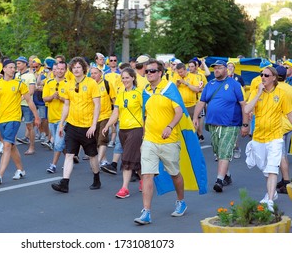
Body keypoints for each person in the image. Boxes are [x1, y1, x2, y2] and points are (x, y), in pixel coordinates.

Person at [134, 58, 185, 225]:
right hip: (150, 140)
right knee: (147, 174)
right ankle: (146, 212)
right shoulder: (145, 91)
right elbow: (145, 116)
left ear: (160, 73)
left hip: (169, 140)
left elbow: (178, 112)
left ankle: (180, 201)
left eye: (152, 71)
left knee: (174, 174)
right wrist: (143, 138)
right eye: (147, 71)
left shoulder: (170, 88)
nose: (149, 73)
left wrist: (170, 127)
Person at [193, 60, 249, 193]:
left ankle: (219, 180)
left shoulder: (234, 85)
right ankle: (227, 175)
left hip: (230, 124)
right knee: (218, 151)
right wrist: (195, 117)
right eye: (215, 68)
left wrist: (245, 125)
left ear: (226, 69)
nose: (216, 70)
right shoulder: (210, 84)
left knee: (224, 151)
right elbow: (201, 102)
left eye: (219, 68)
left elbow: (243, 105)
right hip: (213, 124)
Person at [245, 66, 292, 211]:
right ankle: (272, 192)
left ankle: (270, 200)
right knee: (264, 167)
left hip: (276, 137)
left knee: (272, 168)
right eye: (261, 75)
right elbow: (247, 110)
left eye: (266, 75)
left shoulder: (281, 94)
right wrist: (258, 93)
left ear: (273, 78)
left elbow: (289, 114)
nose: (263, 77)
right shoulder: (255, 91)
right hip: (259, 137)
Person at [0, 60, 41, 184]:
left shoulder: (19, 83)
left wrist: (36, 117)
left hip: (14, 118)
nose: (13, 69)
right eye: (10, 67)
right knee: (11, 146)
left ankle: (0, 174)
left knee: (6, 146)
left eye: (14, 67)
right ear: (4, 69)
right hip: (2, 119)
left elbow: (29, 100)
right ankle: (20, 170)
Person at [51, 57, 101, 193]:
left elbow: (97, 105)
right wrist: (61, 124)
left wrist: (94, 125)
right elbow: (66, 105)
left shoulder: (91, 83)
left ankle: (96, 177)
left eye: (79, 67)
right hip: (72, 125)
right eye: (74, 67)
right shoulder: (69, 84)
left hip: (87, 127)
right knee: (69, 154)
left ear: (84, 69)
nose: (76, 70)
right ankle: (64, 183)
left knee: (92, 156)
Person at [102, 67, 143, 198]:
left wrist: (146, 130)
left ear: (133, 78)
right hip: (123, 129)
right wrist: (107, 125)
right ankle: (144, 180)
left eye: (127, 77)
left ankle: (124, 188)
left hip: (136, 128)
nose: (125, 80)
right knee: (135, 158)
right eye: (123, 78)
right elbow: (116, 113)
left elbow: (146, 113)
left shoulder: (139, 93)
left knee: (127, 158)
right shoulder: (121, 94)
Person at [44, 61, 68, 173]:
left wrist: (61, 98)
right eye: (58, 69)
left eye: (62, 69)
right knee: (59, 143)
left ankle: (53, 165)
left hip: (63, 119)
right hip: (51, 117)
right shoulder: (49, 83)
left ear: (65, 70)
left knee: (58, 143)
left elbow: (71, 101)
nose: (60, 71)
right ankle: (70, 157)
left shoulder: (69, 83)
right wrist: (52, 96)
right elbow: (44, 98)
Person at [91, 66, 116, 168]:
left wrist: (115, 116)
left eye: (95, 73)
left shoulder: (106, 84)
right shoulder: (89, 86)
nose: (93, 75)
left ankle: (97, 162)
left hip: (106, 116)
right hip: (93, 117)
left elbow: (114, 100)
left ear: (100, 74)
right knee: (96, 141)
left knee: (102, 139)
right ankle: (104, 160)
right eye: (91, 73)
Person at [273, 66, 292, 194]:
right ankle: (283, 179)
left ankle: (286, 182)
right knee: (282, 153)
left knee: (281, 155)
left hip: (278, 125)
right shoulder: (290, 88)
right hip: (288, 124)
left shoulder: (275, 89)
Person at [14, 56, 37, 155]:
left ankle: (32, 147)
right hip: (17, 105)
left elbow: (31, 90)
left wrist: (22, 97)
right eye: (17, 63)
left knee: (29, 126)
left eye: (19, 63)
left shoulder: (30, 75)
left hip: (27, 104)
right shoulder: (16, 75)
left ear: (24, 64)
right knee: (14, 124)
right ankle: (11, 146)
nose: (17, 65)